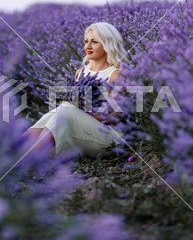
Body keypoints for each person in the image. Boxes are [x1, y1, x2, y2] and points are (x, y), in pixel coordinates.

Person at [23, 22, 127, 159]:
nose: (88, 46)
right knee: (60, 110)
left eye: (94, 42)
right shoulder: (80, 73)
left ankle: (23, 161)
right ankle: (11, 153)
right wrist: (73, 107)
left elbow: (115, 118)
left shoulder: (116, 74)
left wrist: (81, 112)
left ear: (107, 44)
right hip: (80, 132)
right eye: (86, 41)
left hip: (108, 138)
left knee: (65, 110)